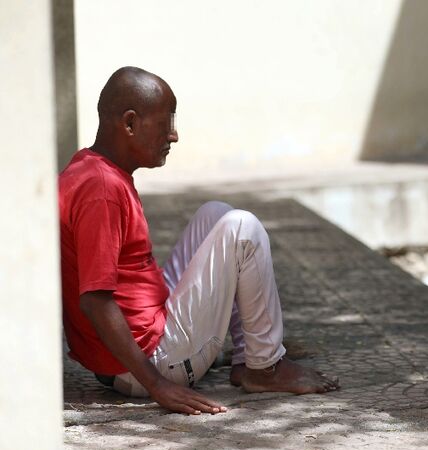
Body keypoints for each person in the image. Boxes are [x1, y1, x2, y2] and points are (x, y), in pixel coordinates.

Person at [59, 66, 338, 415]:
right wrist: (157, 385)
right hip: (148, 362)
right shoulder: (103, 190)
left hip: (137, 346)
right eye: (166, 124)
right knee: (242, 229)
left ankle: (244, 357)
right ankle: (265, 367)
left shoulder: (87, 166)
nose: (173, 136)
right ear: (130, 124)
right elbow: (95, 300)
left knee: (215, 214)